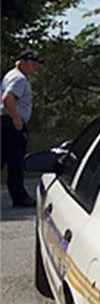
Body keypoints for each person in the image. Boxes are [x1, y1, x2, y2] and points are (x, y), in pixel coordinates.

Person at [2, 49, 43, 208]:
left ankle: (19, 196)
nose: (36, 67)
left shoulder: (11, 75)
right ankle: (20, 198)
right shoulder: (18, 78)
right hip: (10, 125)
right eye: (34, 63)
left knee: (8, 160)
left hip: (5, 123)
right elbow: (8, 98)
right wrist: (16, 119)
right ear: (24, 62)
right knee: (15, 162)